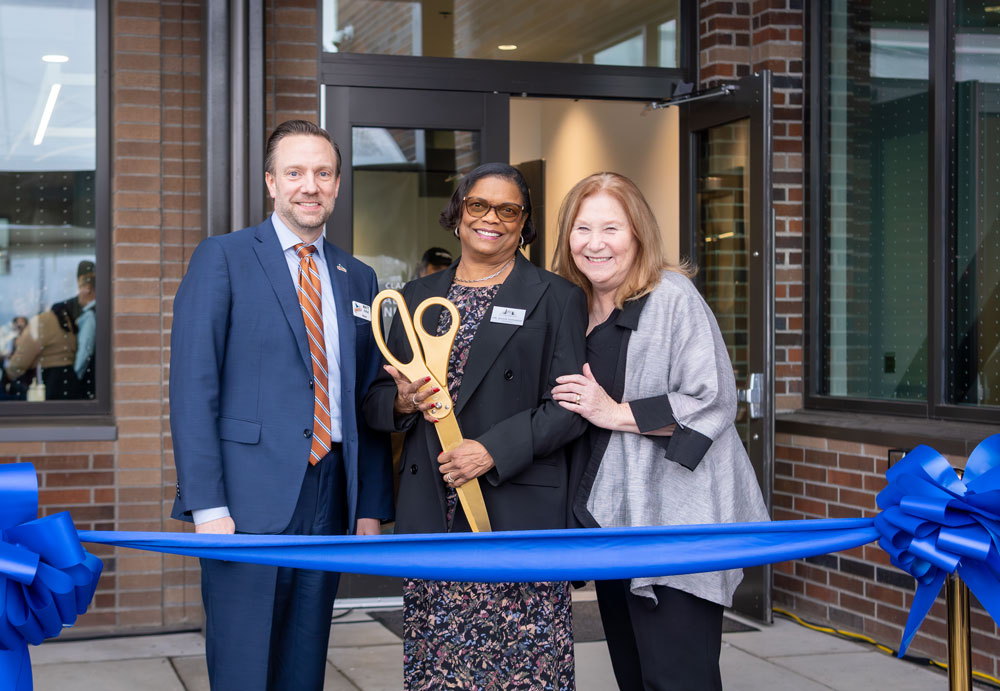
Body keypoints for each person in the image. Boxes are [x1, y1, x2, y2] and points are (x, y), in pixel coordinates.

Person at [169, 119, 393, 691]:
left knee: (304, 661)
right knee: (245, 665)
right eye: (295, 172)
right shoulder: (222, 258)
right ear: (271, 182)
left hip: (329, 494)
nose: (309, 185)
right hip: (244, 501)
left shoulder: (358, 276)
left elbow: (365, 393)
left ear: (338, 185)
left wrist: (369, 504)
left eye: (322, 173)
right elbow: (194, 390)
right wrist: (206, 505)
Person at [363, 162, 588, 690]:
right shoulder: (416, 296)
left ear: (524, 223)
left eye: (509, 210)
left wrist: (490, 451)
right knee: (442, 670)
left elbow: (570, 408)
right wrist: (398, 402)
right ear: (458, 214)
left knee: (524, 671)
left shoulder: (556, 297)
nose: (493, 219)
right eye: (478, 206)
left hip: (514, 507)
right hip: (433, 512)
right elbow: (374, 399)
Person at [551, 172, 768, 691]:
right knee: (635, 676)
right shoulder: (571, 303)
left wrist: (615, 412)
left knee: (678, 679)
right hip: (614, 523)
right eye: (582, 229)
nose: (595, 243)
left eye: (612, 228)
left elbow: (712, 400)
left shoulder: (672, 296)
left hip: (677, 526)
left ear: (639, 234)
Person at [5, 303, 81, 400]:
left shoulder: (43, 320)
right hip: (70, 379)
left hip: (52, 382)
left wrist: (9, 374)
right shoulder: (68, 322)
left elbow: (23, 357)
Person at [73, 271, 96, 399]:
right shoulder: (96, 312)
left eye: (79, 288)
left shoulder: (89, 316)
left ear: (88, 289)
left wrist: (75, 376)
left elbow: (85, 351)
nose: (78, 294)